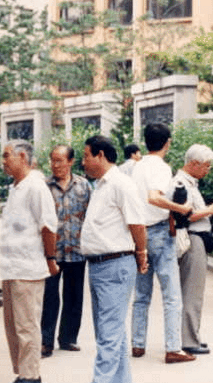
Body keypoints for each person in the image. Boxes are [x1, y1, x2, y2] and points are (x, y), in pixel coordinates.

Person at [80, 135, 148, 383]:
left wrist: (141, 253)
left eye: (86, 156)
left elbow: (137, 224)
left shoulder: (121, 184)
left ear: (100, 155)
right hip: (98, 266)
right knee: (111, 334)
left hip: (115, 265)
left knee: (108, 336)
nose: (83, 162)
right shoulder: (101, 185)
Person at [131, 123, 195, 364]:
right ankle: (173, 347)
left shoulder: (136, 168)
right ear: (167, 142)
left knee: (141, 294)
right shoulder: (161, 168)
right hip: (158, 232)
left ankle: (138, 343)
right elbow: (154, 197)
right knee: (171, 294)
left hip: (138, 234)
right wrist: (181, 208)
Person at [0, 140, 59, 383]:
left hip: (28, 268)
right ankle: (23, 372)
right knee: (13, 327)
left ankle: (31, 376)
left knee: (27, 326)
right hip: (10, 268)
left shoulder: (36, 187)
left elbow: (49, 226)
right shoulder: (16, 187)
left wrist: (50, 258)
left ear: (22, 156)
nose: (3, 162)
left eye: (6, 156)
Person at [40, 145, 91, 358]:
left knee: (74, 296)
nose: (55, 165)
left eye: (60, 160)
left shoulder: (84, 186)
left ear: (70, 162)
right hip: (51, 252)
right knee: (49, 297)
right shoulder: (44, 186)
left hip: (76, 251)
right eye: (53, 160)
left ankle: (68, 338)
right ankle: (46, 340)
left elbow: (91, 216)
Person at [174, 144, 213, 355]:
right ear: (193, 163)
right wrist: (211, 210)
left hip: (196, 239)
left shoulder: (189, 183)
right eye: (206, 165)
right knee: (192, 292)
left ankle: (191, 335)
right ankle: (189, 339)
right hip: (193, 238)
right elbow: (184, 215)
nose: (208, 170)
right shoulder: (181, 184)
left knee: (192, 291)